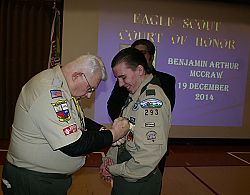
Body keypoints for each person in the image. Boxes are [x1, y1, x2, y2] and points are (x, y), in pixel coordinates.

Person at [1, 54, 130, 195]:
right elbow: (74, 145)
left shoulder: (64, 88)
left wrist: (105, 130)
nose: (89, 96)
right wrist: (114, 134)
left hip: (45, 180)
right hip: (32, 180)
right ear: (77, 76)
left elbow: (79, 121)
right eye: (90, 89)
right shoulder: (48, 92)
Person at [100, 47, 171, 195]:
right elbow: (123, 135)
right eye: (117, 78)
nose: (120, 84)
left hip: (138, 182)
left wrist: (113, 168)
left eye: (123, 77)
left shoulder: (151, 100)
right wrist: (110, 158)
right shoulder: (136, 95)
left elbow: (147, 157)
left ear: (139, 70)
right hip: (127, 175)